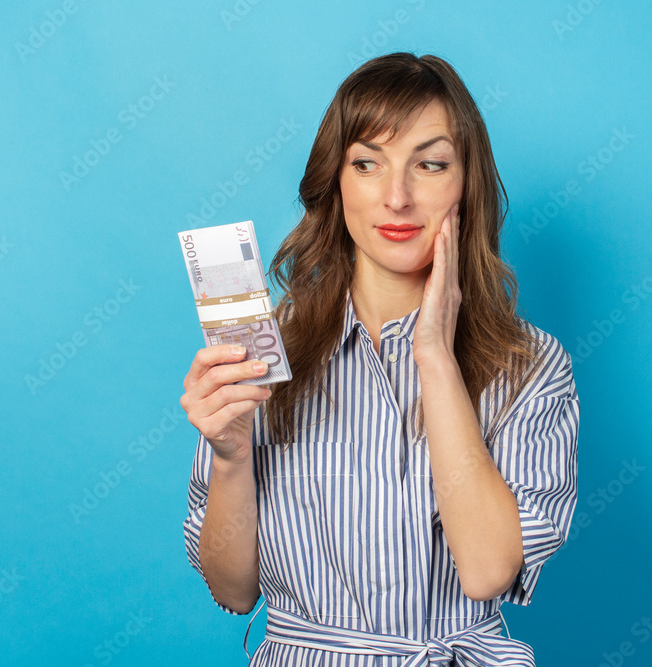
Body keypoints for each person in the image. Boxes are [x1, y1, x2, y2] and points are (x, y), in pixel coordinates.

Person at [179, 52, 580, 666]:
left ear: (466, 183)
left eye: (430, 163)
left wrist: (436, 359)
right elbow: (234, 592)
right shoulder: (263, 355)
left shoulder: (529, 365)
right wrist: (231, 458)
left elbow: (487, 570)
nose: (397, 197)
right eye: (367, 163)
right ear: (337, 185)